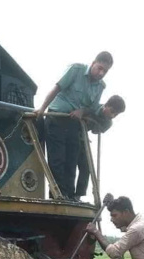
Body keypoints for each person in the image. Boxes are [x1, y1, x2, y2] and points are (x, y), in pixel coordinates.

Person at [34, 51, 114, 201]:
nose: (101, 73)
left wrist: (82, 111)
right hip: (57, 118)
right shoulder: (76, 70)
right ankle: (57, 195)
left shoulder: (100, 87)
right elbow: (56, 88)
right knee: (57, 159)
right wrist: (42, 109)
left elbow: (92, 107)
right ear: (93, 63)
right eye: (99, 68)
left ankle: (69, 196)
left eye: (105, 71)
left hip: (74, 124)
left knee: (71, 160)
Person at [74, 95, 126, 199]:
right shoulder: (93, 106)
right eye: (112, 111)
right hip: (71, 132)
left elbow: (95, 131)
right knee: (70, 165)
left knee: (86, 167)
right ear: (106, 105)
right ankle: (67, 192)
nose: (113, 115)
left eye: (116, 114)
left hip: (82, 137)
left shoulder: (108, 123)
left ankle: (78, 196)